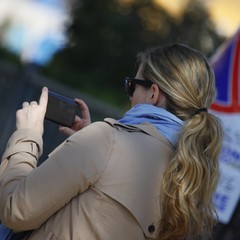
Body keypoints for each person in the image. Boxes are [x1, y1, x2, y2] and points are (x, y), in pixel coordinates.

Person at [0, 43, 223, 240]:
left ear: (153, 94)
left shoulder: (106, 141)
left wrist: (27, 136)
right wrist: (89, 144)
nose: (129, 95)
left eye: (131, 86)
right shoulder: (193, 175)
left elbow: (16, 210)